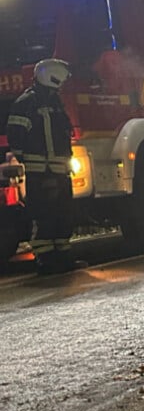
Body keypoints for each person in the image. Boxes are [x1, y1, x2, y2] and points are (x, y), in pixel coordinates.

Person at [6, 59, 83, 275]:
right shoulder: (27, 102)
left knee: (64, 216)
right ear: (53, 77)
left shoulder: (54, 101)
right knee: (45, 217)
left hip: (60, 171)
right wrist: (28, 162)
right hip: (41, 173)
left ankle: (63, 259)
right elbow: (15, 134)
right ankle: (47, 262)